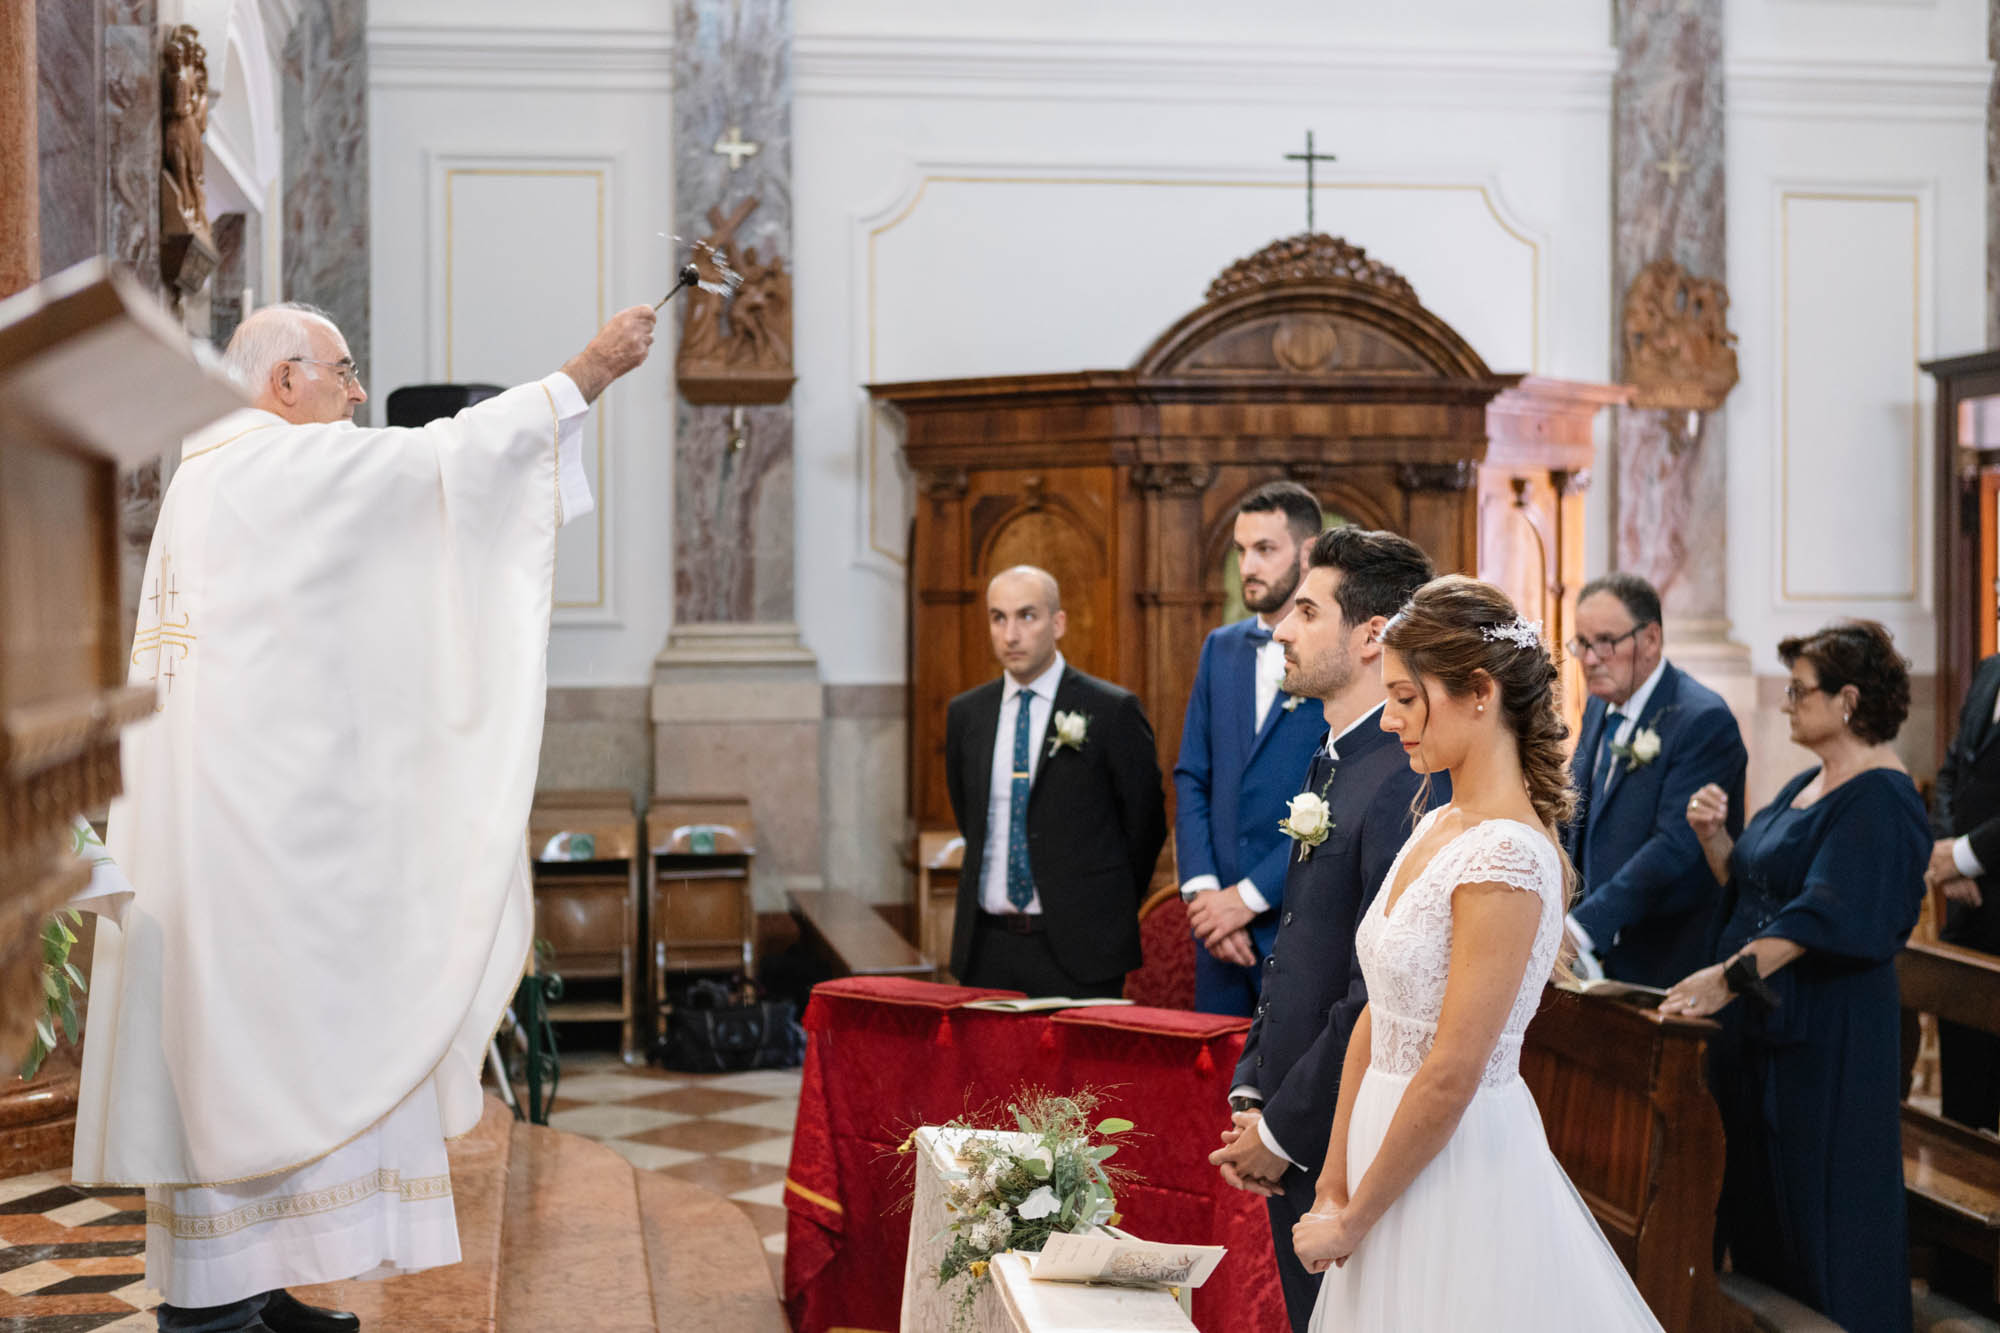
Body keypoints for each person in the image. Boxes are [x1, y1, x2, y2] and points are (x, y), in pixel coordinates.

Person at [73, 299, 658, 1333]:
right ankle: (212, 1314)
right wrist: (583, 374)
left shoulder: (218, 474)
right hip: (250, 851)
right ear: (282, 380)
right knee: (263, 1054)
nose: (354, 393)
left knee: (245, 1056)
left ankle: (249, 1285)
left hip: (229, 830)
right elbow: (432, 470)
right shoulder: (264, 466)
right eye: (341, 372)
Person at [1293, 575, 1661, 1331]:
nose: (1391, 719)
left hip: (1454, 1168)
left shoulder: (1509, 858)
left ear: (1479, 691)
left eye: (1405, 696)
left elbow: (1453, 1070)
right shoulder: (1436, 823)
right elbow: (1377, 1014)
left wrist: (1357, 1217)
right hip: (1377, 1154)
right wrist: (1333, 1180)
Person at [1205, 527, 1441, 1331]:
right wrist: (1254, 1084)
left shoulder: (1405, 779)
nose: (1280, 627)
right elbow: (1301, 944)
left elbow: (1376, 988)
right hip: (1300, 1111)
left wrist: (1283, 1124)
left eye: (1307, 609)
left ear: (1372, 634)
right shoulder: (1336, 756)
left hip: (1349, 1129)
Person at [1663, 620, 1928, 1333]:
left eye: (1799, 688)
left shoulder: (1881, 796)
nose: (1785, 702)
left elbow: (1822, 914)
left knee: (1823, 1213)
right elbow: (1756, 884)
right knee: (1765, 1216)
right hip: (1769, 1028)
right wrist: (1716, 840)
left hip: (1827, 1041)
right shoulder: (1811, 781)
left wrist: (1725, 976)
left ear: (1847, 699)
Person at [943, 566, 1167, 997]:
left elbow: (1144, 826)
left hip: (1082, 947)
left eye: (1027, 616)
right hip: (987, 946)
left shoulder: (1110, 711)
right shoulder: (967, 714)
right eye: (998, 618)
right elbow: (969, 816)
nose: (1011, 635)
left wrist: (1103, 904)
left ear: (1058, 622)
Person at [1174, 482, 1331, 1015]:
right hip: (1216, 938)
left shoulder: (1336, 661)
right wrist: (1204, 899)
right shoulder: (1221, 648)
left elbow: (1336, 803)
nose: (1248, 566)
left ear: (1308, 553)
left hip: (1295, 929)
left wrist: (1247, 900)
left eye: (1266, 549)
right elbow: (1192, 775)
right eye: (1242, 550)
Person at [1563, 572, 1746, 987]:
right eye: (1583, 644)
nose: (1590, 659)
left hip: (1667, 958)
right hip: (1596, 953)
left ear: (1650, 639)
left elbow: (1675, 847)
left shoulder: (1702, 720)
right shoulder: (1598, 707)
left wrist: (1582, 928)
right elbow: (1577, 811)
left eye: (1605, 642)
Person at [1929, 649, 2000, 1131]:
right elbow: (1953, 770)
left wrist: (1962, 857)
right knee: (1964, 1108)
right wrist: (1946, 853)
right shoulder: (1990, 670)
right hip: (1968, 914)